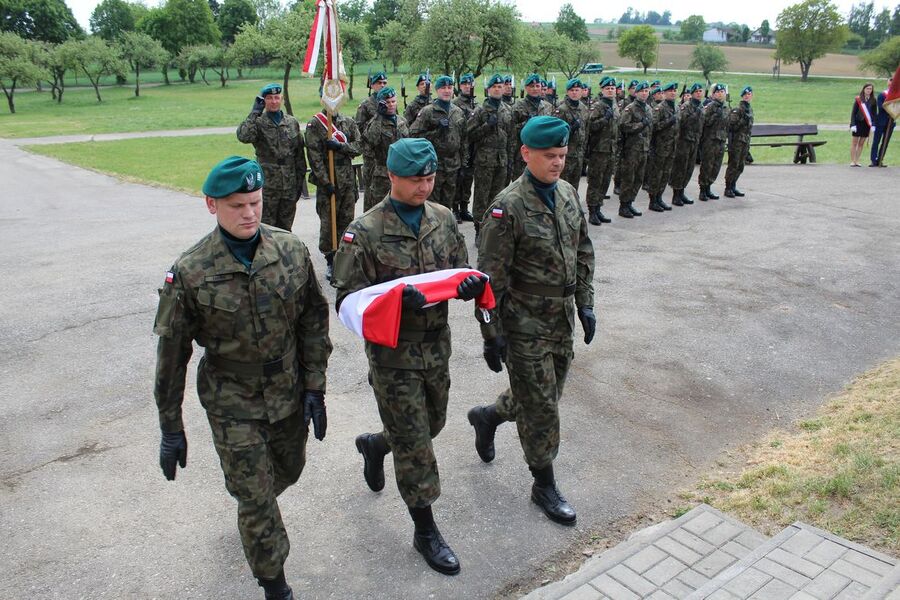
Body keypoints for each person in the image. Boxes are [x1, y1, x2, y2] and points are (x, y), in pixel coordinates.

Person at [153, 156, 332, 600]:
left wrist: (315, 387)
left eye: (255, 202)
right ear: (211, 205)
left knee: (288, 471)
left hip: (287, 390)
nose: (249, 213)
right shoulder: (191, 271)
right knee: (256, 498)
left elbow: (313, 319)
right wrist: (171, 426)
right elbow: (172, 356)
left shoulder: (290, 250)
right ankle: (275, 584)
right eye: (237, 205)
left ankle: (255, 509)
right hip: (231, 400)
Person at [331, 138, 480, 576]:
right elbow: (348, 301)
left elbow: (458, 267)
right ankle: (425, 530)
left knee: (432, 424)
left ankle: (377, 444)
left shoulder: (443, 218)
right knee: (416, 445)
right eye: (416, 180)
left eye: (430, 179)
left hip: (436, 345)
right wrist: (396, 302)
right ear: (391, 176)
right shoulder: (365, 231)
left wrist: (467, 287)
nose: (425, 187)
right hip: (393, 354)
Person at [467, 116, 596, 526]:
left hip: (562, 318)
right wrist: (491, 334)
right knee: (541, 409)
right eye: (549, 156)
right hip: (523, 323)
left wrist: (586, 303)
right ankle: (544, 484)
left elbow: (584, 250)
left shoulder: (569, 194)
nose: (557, 163)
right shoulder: (508, 207)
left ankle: (488, 416)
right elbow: (489, 280)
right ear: (526, 153)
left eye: (562, 155)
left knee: (545, 395)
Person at [237, 83, 307, 231]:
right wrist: (254, 113)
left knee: (286, 228)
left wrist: (299, 182)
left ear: (281, 99)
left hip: (289, 184)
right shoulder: (258, 122)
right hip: (267, 185)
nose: (274, 101)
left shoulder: (291, 122)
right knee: (266, 228)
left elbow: (299, 155)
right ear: (264, 101)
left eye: (276, 97)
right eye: (269, 98)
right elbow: (244, 136)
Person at [305, 105, 361, 280]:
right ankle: (331, 261)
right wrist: (325, 182)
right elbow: (314, 158)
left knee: (347, 221)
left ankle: (346, 260)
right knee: (329, 224)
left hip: (347, 181)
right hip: (329, 183)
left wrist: (340, 146)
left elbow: (359, 147)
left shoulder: (348, 122)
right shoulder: (316, 124)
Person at [410, 75, 467, 211]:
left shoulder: (458, 112)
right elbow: (413, 135)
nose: (447, 91)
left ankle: (445, 224)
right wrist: (436, 131)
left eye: (449, 87)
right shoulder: (428, 111)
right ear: (436, 90)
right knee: (432, 204)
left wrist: (464, 164)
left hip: (453, 165)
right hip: (434, 164)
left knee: (448, 202)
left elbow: (464, 139)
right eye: (443, 88)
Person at [468, 74, 514, 231]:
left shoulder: (507, 110)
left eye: (500, 87)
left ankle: (494, 227)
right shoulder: (480, 111)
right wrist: (487, 126)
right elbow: (469, 135)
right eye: (494, 87)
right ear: (488, 90)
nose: (497, 89)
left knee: (498, 196)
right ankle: (479, 227)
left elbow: (511, 138)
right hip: (484, 160)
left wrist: (510, 160)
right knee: (482, 195)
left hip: (502, 160)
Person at [363, 87, 409, 211]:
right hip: (383, 175)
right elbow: (371, 141)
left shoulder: (402, 121)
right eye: (387, 102)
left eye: (393, 101)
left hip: (402, 172)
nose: (391, 105)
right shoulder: (375, 122)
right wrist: (379, 115)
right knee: (381, 210)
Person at [616, 81, 653, 218]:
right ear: (636, 93)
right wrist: (640, 125)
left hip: (644, 148)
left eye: (646, 91)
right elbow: (623, 126)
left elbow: (650, 129)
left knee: (638, 178)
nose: (644, 93)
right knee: (629, 178)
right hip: (631, 149)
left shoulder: (648, 108)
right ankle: (623, 206)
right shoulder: (630, 108)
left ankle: (630, 202)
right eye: (641, 91)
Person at [585, 76, 618, 225]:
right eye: (607, 88)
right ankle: (592, 211)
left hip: (611, 150)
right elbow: (591, 127)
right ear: (602, 90)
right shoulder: (597, 107)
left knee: (605, 181)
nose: (610, 90)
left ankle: (598, 208)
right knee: (595, 181)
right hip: (598, 150)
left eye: (612, 88)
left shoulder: (615, 106)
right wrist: (604, 119)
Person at [510, 74, 554, 181]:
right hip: (523, 155)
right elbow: (511, 130)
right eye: (531, 86)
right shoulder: (518, 106)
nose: (535, 89)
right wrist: (526, 124)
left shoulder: (548, 107)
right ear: (526, 88)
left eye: (537, 86)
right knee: (522, 185)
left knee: (541, 183)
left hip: (543, 152)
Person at [669, 83, 704, 206]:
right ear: (692, 93)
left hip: (694, 141)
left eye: (700, 91)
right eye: (696, 91)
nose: (699, 93)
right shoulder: (686, 106)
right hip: (684, 141)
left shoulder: (701, 106)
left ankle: (682, 191)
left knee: (689, 168)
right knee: (680, 168)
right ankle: (676, 194)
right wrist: (694, 114)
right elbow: (681, 122)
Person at [646, 82, 679, 212]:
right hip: (660, 147)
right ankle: (653, 200)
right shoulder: (659, 108)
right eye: (670, 91)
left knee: (665, 174)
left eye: (674, 91)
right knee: (657, 174)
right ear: (664, 93)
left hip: (671, 147)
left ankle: (659, 197)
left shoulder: (676, 108)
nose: (673, 93)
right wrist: (667, 122)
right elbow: (653, 127)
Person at [356, 71, 389, 203]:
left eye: (384, 83)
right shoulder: (366, 105)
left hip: (387, 153)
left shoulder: (389, 102)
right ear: (372, 85)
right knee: (371, 193)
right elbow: (359, 129)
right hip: (372, 156)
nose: (382, 85)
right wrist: (376, 121)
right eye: (379, 83)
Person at [555, 78, 589, 192]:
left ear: (581, 91)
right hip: (566, 154)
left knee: (575, 185)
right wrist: (570, 128)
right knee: (563, 185)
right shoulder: (562, 109)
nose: (574, 93)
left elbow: (586, 130)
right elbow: (557, 133)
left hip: (579, 154)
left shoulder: (584, 108)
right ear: (567, 92)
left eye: (577, 90)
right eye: (572, 90)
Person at [697, 83, 729, 200]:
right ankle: (703, 189)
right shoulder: (709, 107)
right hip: (710, 141)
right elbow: (705, 122)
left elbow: (727, 124)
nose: (720, 94)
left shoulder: (726, 107)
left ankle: (709, 187)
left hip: (721, 140)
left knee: (716, 166)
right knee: (707, 165)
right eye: (718, 92)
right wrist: (715, 116)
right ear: (713, 94)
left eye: (722, 92)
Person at [453, 73, 478, 223]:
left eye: (470, 84)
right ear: (460, 86)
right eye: (465, 84)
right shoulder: (456, 103)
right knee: (458, 178)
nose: (468, 87)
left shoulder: (476, 104)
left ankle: (464, 208)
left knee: (468, 179)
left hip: (473, 146)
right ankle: (455, 209)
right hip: (461, 146)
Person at [724, 86, 754, 198]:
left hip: (745, 141)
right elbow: (732, 127)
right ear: (742, 96)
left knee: (741, 165)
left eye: (749, 94)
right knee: (733, 164)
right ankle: (728, 187)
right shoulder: (737, 110)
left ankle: (733, 185)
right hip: (736, 141)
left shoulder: (750, 110)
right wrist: (742, 119)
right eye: (745, 95)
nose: (747, 96)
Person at [850, 82, 876, 167]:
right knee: (854, 143)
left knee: (861, 143)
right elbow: (853, 113)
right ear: (864, 89)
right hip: (858, 123)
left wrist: (873, 125)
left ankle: (857, 161)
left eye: (870, 89)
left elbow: (874, 114)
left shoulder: (873, 100)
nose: (869, 90)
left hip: (867, 124)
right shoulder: (858, 99)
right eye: (867, 88)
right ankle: (852, 161)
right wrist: (853, 124)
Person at [871, 76, 894, 167]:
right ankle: (874, 160)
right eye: (890, 82)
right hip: (881, 121)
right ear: (887, 83)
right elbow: (881, 107)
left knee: (885, 142)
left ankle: (880, 159)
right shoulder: (882, 95)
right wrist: (892, 110)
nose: (891, 84)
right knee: (876, 141)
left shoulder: (896, 96)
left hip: (890, 122)